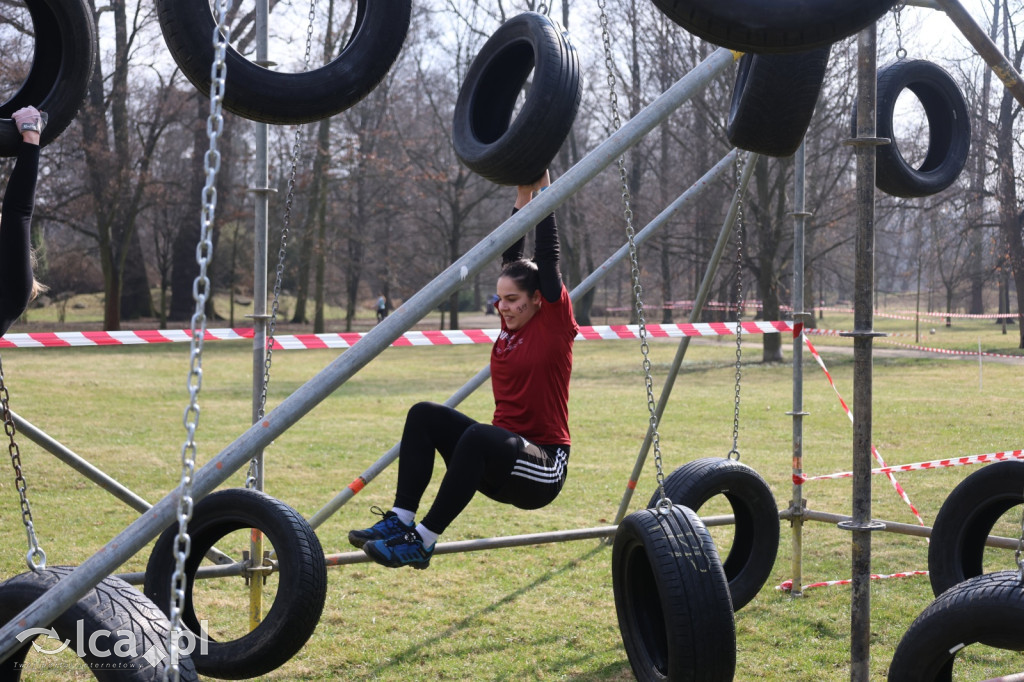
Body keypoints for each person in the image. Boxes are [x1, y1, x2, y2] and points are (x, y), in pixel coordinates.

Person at [349, 170, 578, 569]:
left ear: (538, 300)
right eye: (499, 299)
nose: (503, 307)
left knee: (476, 435)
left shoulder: (554, 323)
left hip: (542, 467)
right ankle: (400, 521)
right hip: (497, 459)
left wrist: (543, 184)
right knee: (424, 414)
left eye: (512, 300)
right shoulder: (510, 330)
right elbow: (513, 250)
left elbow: (546, 257)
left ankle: (422, 542)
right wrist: (522, 192)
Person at [0, 107, 45, 337]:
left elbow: (16, 213)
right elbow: (17, 213)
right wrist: (30, 137)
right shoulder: (11, 295)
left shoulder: (11, 295)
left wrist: (30, 137)